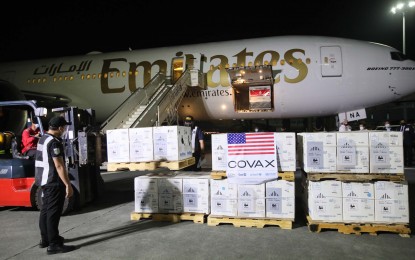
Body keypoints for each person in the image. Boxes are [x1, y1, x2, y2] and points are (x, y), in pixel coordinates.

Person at [34, 116, 76, 255]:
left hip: (43, 180)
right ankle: (53, 245)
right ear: (60, 128)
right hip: (53, 181)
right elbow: (58, 165)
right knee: (53, 212)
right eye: (64, 127)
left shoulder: (43, 138)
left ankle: (46, 239)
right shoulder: (54, 143)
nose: (65, 130)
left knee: (45, 210)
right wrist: (68, 185)